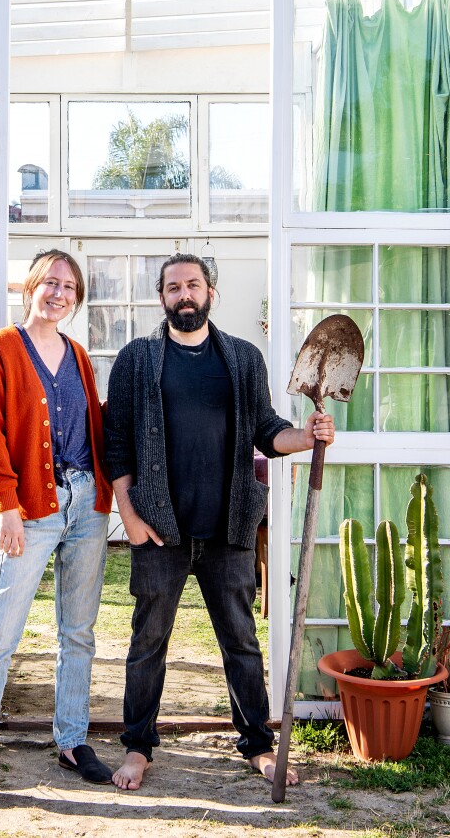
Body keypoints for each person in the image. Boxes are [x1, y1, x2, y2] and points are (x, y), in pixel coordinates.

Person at [104, 253, 335, 792]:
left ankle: (257, 744)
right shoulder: (137, 360)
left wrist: (305, 437)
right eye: (173, 287)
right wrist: (129, 515)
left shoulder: (242, 358)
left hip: (229, 526)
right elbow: (115, 443)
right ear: (161, 297)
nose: (184, 295)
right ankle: (139, 747)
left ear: (211, 292)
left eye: (193, 285)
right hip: (161, 530)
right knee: (148, 641)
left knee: (241, 640)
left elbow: (266, 428)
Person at [0, 250, 114, 812]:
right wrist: (6, 505)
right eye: (50, 283)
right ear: (31, 287)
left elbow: (93, 427)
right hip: (31, 509)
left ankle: (71, 740)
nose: (58, 293)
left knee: (77, 631)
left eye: (69, 287)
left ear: (76, 300)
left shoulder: (79, 355)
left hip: (87, 504)